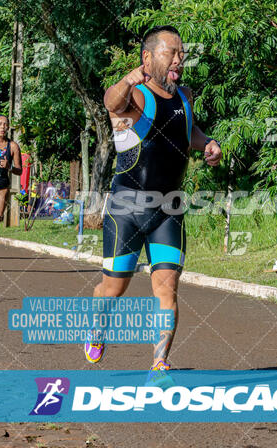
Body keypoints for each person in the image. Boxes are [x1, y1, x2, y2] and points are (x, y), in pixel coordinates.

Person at [84, 25, 222, 381]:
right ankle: (97, 328)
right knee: (114, 287)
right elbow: (111, 103)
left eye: (181, 54)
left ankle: (159, 364)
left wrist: (207, 144)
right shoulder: (136, 97)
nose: (178, 59)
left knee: (167, 285)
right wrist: (129, 79)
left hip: (169, 209)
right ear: (148, 57)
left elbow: (188, 130)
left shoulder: (185, 96)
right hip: (127, 208)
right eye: (171, 53)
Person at [0, 115, 22, 271]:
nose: (3, 127)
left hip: (2, 187)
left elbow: (19, 170)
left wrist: (9, 167)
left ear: (8, 128)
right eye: (0, 124)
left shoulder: (13, 147)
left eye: (5, 124)